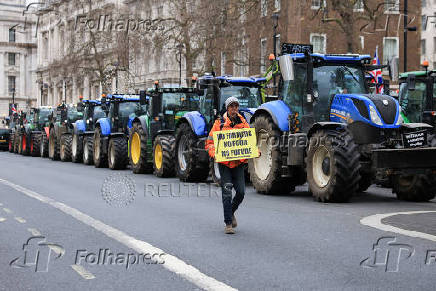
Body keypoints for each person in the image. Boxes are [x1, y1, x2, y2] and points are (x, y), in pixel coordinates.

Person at [205, 96, 250, 234]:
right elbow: (209, 143)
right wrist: (215, 153)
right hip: (224, 164)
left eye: (236, 106)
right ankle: (228, 224)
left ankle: (231, 212)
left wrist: (256, 151)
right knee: (227, 193)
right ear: (227, 108)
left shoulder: (244, 123)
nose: (234, 109)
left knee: (241, 192)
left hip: (239, 164)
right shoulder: (219, 123)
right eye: (231, 106)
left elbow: (250, 142)